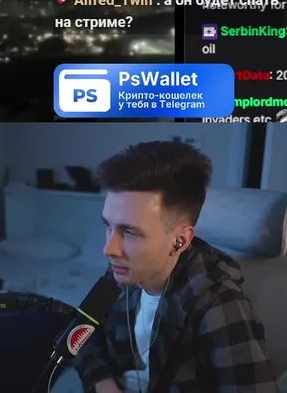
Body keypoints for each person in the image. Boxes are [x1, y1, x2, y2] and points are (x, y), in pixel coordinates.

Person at [74, 141, 277, 392]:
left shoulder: (218, 303)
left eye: (130, 232)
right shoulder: (122, 269)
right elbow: (81, 332)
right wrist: (102, 382)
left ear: (180, 240)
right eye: (109, 226)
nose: (109, 249)